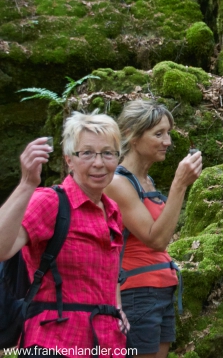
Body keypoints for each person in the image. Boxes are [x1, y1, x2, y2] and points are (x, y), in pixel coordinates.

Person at [0, 112, 128, 357]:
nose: (99, 163)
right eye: (87, 153)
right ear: (69, 159)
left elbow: (110, 272)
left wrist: (117, 309)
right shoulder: (50, 202)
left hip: (108, 344)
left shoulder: (112, 211)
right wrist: (27, 183)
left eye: (108, 153)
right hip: (54, 342)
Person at [104, 100, 202, 358]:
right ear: (132, 137)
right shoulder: (117, 182)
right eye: (158, 134)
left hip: (161, 288)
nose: (167, 141)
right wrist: (179, 184)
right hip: (136, 293)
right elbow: (156, 239)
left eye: (168, 133)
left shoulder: (147, 181)